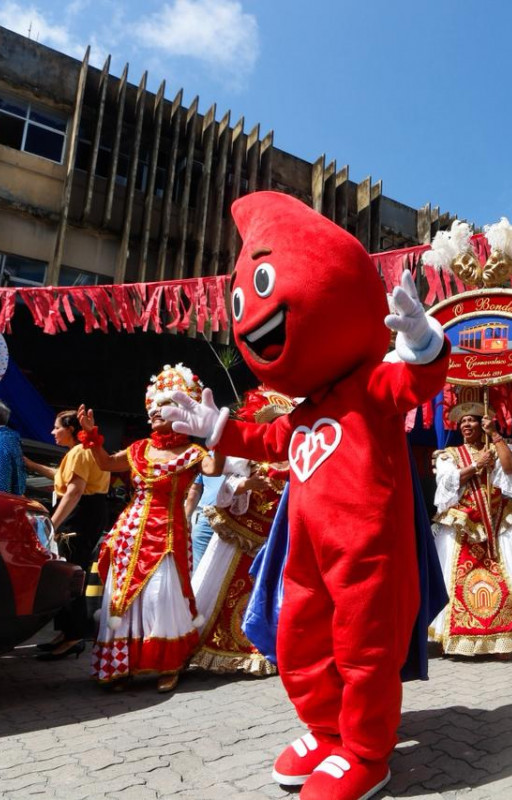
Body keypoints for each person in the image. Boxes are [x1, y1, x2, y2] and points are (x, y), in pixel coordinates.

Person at [163, 192, 449, 800]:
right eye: (242, 300)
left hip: (368, 552)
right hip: (306, 552)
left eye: (262, 285)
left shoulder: (370, 384)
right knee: (298, 639)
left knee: (363, 647)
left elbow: (418, 380)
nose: (250, 316)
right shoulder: (304, 413)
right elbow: (268, 440)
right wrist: (213, 427)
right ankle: (327, 731)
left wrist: (423, 339)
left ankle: (368, 753)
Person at [79, 364, 221, 693]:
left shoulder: (193, 453)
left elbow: (215, 468)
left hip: (168, 536)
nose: (155, 411)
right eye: (153, 406)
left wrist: (219, 433)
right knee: (121, 599)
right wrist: (90, 435)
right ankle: (122, 665)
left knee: (162, 598)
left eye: (164, 406)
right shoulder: (138, 449)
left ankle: (168, 663)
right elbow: (104, 463)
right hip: (128, 535)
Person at [429, 387, 512, 657]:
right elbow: (445, 486)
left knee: (504, 578)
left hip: (499, 524)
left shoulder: (499, 447)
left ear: (483, 422)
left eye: (473, 419)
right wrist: (476, 465)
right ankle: (457, 639)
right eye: (463, 421)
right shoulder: (449, 454)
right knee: (456, 580)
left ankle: (506, 639)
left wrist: (496, 436)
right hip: (463, 528)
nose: (466, 424)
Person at [190, 389, 292, 676]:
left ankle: (269, 647)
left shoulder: (297, 456)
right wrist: (246, 486)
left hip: (279, 537)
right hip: (243, 531)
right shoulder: (251, 452)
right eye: (272, 424)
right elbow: (222, 486)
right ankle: (222, 647)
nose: (277, 430)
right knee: (228, 586)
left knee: (272, 590)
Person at [23, 410, 111, 661]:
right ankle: (67, 633)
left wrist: (52, 523)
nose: (53, 432)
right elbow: (61, 478)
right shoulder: (76, 453)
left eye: (56, 427)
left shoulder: (82, 452)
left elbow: (74, 492)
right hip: (84, 514)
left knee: (69, 576)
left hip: (80, 516)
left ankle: (74, 637)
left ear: (71, 429)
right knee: (66, 574)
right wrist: (32, 465)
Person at [185, 468, 226, 574]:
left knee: (225, 567)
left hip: (234, 520)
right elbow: (194, 490)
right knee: (199, 567)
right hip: (205, 517)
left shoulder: (244, 457)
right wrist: (186, 517)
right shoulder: (206, 459)